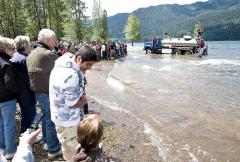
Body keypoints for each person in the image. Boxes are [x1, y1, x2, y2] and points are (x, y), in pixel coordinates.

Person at [49, 45, 97, 161]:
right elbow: (71, 103)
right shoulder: (71, 75)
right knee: (72, 151)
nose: (89, 68)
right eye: (88, 64)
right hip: (67, 121)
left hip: (59, 114)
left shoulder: (64, 63)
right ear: (79, 59)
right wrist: (82, 102)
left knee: (68, 145)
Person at [26, 28, 61, 159]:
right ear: (47, 40)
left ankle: (47, 141)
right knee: (51, 119)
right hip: (47, 92)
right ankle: (53, 149)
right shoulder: (48, 54)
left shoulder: (31, 53)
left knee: (46, 117)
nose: (56, 41)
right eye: (54, 39)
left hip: (37, 91)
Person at [11, 36, 36, 133]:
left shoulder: (14, 57)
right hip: (26, 93)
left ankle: (25, 133)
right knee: (29, 115)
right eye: (29, 45)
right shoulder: (24, 59)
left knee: (25, 114)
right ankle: (26, 135)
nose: (30, 47)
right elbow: (29, 78)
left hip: (18, 92)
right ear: (25, 46)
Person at [0, 36, 19, 160]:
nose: (14, 51)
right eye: (13, 49)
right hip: (7, 99)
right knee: (9, 125)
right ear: (6, 49)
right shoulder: (7, 63)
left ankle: (2, 147)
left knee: (1, 124)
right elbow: (10, 83)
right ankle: (11, 150)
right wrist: (17, 92)